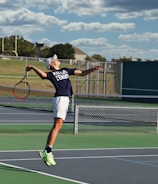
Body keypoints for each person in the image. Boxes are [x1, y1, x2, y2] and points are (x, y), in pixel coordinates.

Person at [26, 54, 102, 166]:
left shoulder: (65, 70)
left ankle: (47, 150)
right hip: (60, 99)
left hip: (65, 99)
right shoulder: (51, 74)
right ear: (52, 63)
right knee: (57, 125)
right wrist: (32, 67)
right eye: (55, 59)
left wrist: (93, 69)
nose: (57, 59)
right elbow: (42, 75)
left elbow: (81, 73)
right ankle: (47, 151)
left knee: (58, 125)